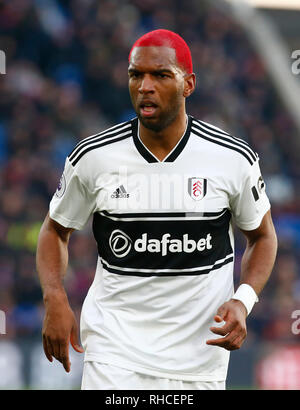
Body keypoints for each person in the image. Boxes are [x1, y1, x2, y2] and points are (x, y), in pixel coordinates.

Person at [36, 29, 277, 390]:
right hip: (114, 355)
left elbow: (263, 236)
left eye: (161, 75)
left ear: (188, 84)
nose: (145, 86)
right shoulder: (94, 157)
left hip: (199, 362)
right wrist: (54, 296)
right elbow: (55, 230)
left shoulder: (232, 159)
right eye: (136, 75)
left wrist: (243, 301)